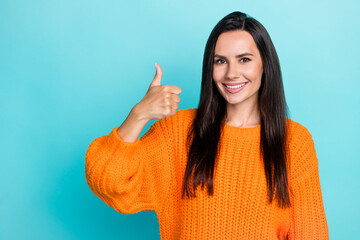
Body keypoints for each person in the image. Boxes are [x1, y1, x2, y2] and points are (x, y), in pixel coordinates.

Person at [85, 11, 329, 239]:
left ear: (265, 64)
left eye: (244, 59)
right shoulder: (179, 132)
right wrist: (138, 115)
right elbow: (108, 180)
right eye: (220, 61)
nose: (231, 73)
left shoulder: (294, 141)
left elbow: (311, 234)